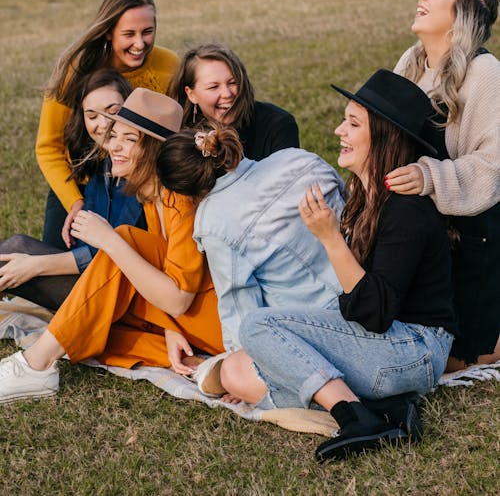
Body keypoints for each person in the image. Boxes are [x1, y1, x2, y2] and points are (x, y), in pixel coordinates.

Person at [160, 71, 456, 461]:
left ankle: (355, 417)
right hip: (386, 344)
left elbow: (374, 314)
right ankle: (387, 408)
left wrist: (330, 238)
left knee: (255, 333)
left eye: (352, 124)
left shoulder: (404, 209)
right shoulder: (354, 190)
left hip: (413, 350)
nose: (338, 130)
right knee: (245, 363)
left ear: (383, 137)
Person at [0, 89, 224, 404]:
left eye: (129, 140)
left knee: (124, 241)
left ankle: (36, 364)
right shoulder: (151, 195)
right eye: (114, 136)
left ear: (155, 150)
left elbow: (178, 300)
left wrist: (109, 239)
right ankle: (198, 365)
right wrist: (170, 329)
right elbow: (163, 277)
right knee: (92, 328)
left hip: (217, 321)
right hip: (184, 320)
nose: (113, 146)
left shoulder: (180, 199)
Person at [386, 0, 500, 369]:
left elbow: (491, 166)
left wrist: (428, 176)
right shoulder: (411, 62)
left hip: (469, 235)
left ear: (465, 11)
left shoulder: (486, 73)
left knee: (462, 357)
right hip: (414, 222)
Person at [155, 125, 345, 361]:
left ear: (185, 192)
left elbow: (240, 307)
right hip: (366, 284)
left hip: (320, 326)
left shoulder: (214, 221)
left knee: (218, 376)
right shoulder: (296, 157)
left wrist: (239, 365)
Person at [36, 0, 179, 249]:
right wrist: (74, 202)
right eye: (129, 34)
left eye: (148, 32)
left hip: (138, 186)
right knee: (52, 263)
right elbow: (48, 148)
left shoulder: (169, 65)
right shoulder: (75, 72)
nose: (140, 43)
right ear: (108, 33)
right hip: (80, 182)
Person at [0, 69, 145, 311]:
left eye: (113, 112)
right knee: (15, 250)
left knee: (17, 255)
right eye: (92, 116)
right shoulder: (102, 165)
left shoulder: (139, 172)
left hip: (126, 297)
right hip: (96, 279)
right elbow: (85, 242)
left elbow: (110, 252)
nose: (103, 124)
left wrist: (36, 266)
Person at [168, 43, 299, 160]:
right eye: (213, 87)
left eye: (233, 82)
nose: (227, 94)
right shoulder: (180, 137)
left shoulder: (277, 124)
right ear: (191, 94)